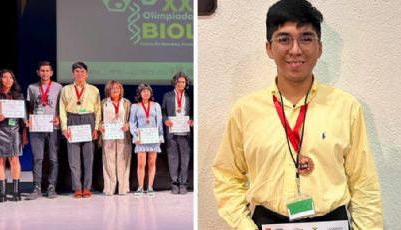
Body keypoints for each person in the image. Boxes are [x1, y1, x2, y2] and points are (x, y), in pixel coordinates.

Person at [212, 0, 383, 229]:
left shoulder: (347, 107)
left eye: (306, 38)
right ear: (269, 48)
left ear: (319, 47)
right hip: (268, 222)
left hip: (332, 223)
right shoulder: (244, 111)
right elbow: (227, 178)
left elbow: (365, 184)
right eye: (284, 39)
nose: (295, 49)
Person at [0, 69, 28, 202]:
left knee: (15, 159)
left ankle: (16, 191)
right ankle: (2, 192)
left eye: (11, 78)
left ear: (14, 81)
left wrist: (25, 130)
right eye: (5, 77)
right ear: (0, 79)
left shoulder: (18, 96)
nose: (8, 80)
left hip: (14, 130)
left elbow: (24, 117)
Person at [59, 62, 101, 198]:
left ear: (87, 74)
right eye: (77, 71)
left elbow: (98, 110)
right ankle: (77, 187)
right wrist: (64, 128)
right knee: (73, 158)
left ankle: (87, 187)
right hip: (73, 120)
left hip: (89, 120)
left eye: (82, 71)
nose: (80, 74)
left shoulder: (94, 90)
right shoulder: (66, 89)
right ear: (73, 73)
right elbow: (62, 109)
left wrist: (96, 128)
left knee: (89, 159)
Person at [26, 61, 62, 200]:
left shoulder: (59, 87)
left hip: (53, 126)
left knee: (53, 158)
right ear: (38, 72)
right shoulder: (32, 87)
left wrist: (59, 117)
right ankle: (36, 188)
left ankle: (51, 187)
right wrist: (28, 120)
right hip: (37, 127)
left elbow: (61, 106)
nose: (45, 73)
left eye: (47, 71)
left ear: (51, 73)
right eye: (42, 70)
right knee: (37, 158)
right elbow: (29, 107)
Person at [162, 72, 194, 194]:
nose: (181, 84)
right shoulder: (167, 96)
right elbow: (164, 112)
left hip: (185, 131)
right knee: (173, 158)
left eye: (183, 82)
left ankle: (183, 184)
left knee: (185, 159)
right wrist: (166, 121)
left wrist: (192, 121)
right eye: (179, 81)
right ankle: (174, 184)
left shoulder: (189, 97)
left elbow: (191, 113)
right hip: (172, 131)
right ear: (175, 82)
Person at [129, 83, 164, 196]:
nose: (146, 93)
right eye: (144, 91)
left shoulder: (156, 105)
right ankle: (140, 187)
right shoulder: (135, 106)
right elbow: (132, 123)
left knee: (152, 163)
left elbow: (159, 123)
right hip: (141, 139)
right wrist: (135, 136)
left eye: (148, 91)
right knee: (141, 164)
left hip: (153, 138)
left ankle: (150, 187)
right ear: (140, 93)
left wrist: (160, 136)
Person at [99, 80, 132, 195]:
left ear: (121, 90)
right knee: (109, 162)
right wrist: (100, 126)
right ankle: (109, 188)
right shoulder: (104, 102)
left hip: (123, 136)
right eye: (112, 88)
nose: (115, 90)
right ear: (108, 90)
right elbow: (99, 118)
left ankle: (123, 188)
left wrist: (127, 125)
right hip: (108, 136)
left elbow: (130, 120)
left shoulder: (126, 102)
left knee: (123, 161)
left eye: (117, 88)